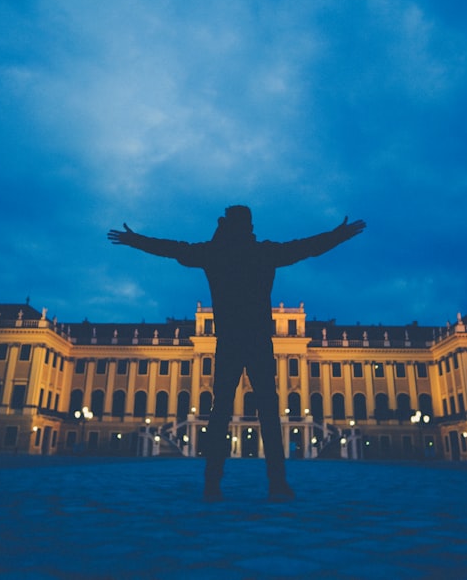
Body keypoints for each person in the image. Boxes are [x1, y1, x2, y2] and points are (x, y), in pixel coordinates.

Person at [108, 205, 366, 502]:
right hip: (258, 340)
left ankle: (212, 484)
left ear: (226, 225)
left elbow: (171, 249)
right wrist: (338, 235)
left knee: (219, 413)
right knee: (269, 414)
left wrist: (135, 240)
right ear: (250, 226)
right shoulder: (263, 252)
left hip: (228, 340)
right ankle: (277, 484)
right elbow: (307, 248)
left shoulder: (214, 253)